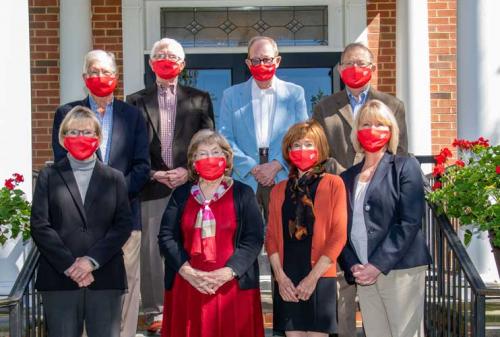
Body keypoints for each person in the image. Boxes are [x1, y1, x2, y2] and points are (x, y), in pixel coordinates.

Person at [311, 42, 408, 337]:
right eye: (349, 63)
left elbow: (400, 153)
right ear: (340, 69)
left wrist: (369, 176)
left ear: (373, 68)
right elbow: (319, 152)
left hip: (380, 206)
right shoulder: (324, 107)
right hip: (338, 201)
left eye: (362, 63)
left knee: (378, 284)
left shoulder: (392, 105)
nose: (355, 69)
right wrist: (348, 176)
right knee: (343, 285)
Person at [51, 50, 150, 337]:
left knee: (126, 289)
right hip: (79, 224)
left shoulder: (133, 116)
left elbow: (142, 167)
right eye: (93, 72)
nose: (99, 77)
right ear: (84, 78)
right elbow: (61, 166)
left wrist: (114, 200)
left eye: (105, 72)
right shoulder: (66, 115)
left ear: (116, 77)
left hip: (125, 221)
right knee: (86, 285)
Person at [126, 38, 214, 333]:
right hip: (151, 185)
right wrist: (150, 173)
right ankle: (154, 310)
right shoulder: (135, 101)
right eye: (160, 55)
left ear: (183, 64)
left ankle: (189, 300)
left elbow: (207, 141)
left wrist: (189, 172)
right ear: (151, 64)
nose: (167, 59)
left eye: (173, 56)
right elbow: (130, 146)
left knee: (192, 244)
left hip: (189, 186)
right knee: (151, 251)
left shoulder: (200, 98)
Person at [32, 106, 132, 337]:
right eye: (73, 132)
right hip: (59, 279)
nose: (80, 137)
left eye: (87, 132)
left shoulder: (114, 178)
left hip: (105, 276)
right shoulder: (48, 175)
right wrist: (70, 265)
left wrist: (91, 261)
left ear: (97, 139)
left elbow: (122, 225)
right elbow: (40, 225)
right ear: (63, 139)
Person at [157, 129, 264, 337]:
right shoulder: (181, 195)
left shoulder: (243, 193)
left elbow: (254, 238)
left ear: (226, 158)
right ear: (193, 162)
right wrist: (188, 273)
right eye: (202, 154)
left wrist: (228, 272)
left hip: (232, 287)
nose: (210, 158)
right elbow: (166, 236)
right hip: (187, 285)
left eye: (216, 152)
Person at [339, 100, 431, 337]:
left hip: (399, 269)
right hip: (363, 270)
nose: (373, 129)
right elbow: (340, 226)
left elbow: (409, 221)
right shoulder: (347, 177)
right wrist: (353, 266)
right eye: (366, 124)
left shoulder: (405, 166)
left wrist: (377, 265)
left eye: (380, 124)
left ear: (391, 130)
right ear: (356, 132)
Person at [265, 120, 347, 337]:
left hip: (320, 276)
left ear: (319, 148)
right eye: (297, 145)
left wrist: (312, 279)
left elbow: (338, 236)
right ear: (288, 151)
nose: (303, 150)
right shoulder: (278, 190)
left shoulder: (333, 184)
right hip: (288, 279)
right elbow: (271, 237)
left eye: (309, 144)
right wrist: (280, 279)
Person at [218, 36, 308, 221]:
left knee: (284, 238)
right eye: (256, 60)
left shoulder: (295, 93)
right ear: (248, 63)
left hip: (283, 173)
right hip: (245, 176)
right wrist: (252, 167)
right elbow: (224, 138)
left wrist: (277, 164)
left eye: (266, 59)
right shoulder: (231, 95)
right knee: (245, 239)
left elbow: (302, 135)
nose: (261, 64)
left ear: (277, 60)